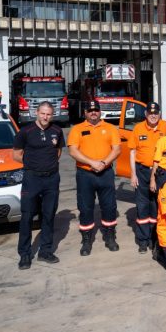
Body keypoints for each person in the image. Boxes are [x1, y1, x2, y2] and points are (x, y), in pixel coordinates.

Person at [13, 101, 65, 270]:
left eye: (48, 114)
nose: (45, 117)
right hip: (32, 179)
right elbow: (16, 155)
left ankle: (46, 251)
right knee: (27, 216)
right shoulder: (25, 132)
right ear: (36, 112)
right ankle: (25, 254)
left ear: (52, 114)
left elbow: (58, 152)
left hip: (51, 179)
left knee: (49, 215)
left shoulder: (57, 131)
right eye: (43, 113)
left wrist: (47, 165)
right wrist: (33, 165)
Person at [67, 100, 121, 256]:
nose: (93, 113)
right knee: (85, 208)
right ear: (85, 113)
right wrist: (92, 163)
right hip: (85, 174)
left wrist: (103, 163)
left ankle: (110, 236)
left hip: (105, 173)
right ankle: (86, 240)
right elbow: (73, 151)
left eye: (96, 110)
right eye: (90, 110)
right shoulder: (77, 129)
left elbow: (116, 149)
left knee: (110, 206)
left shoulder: (110, 128)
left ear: (100, 112)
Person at [129, 102, 166, 254]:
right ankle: (143, 240)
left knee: (158, 206)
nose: (153, 115)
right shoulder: (138, 128)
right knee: (142, 206)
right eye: (150, 113)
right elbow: (132, 152)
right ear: (146, 114)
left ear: (159, 114)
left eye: (156, 113)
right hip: (141, 171)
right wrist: (132, 174)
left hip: (160, 172)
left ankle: (155, 238)